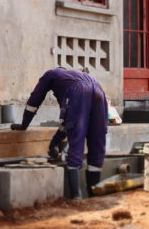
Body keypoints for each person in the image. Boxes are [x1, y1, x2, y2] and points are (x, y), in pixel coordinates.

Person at [11, 67, 108, 199]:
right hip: (99, 90)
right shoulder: (73, 77)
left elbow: (34, 100)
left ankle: (76, 197)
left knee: (77, 139)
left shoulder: (50, 75)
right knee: (97, 142)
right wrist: (54, 143)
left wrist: (24, 124)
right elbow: (67, 123)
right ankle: (94, 196)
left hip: (79, 92)